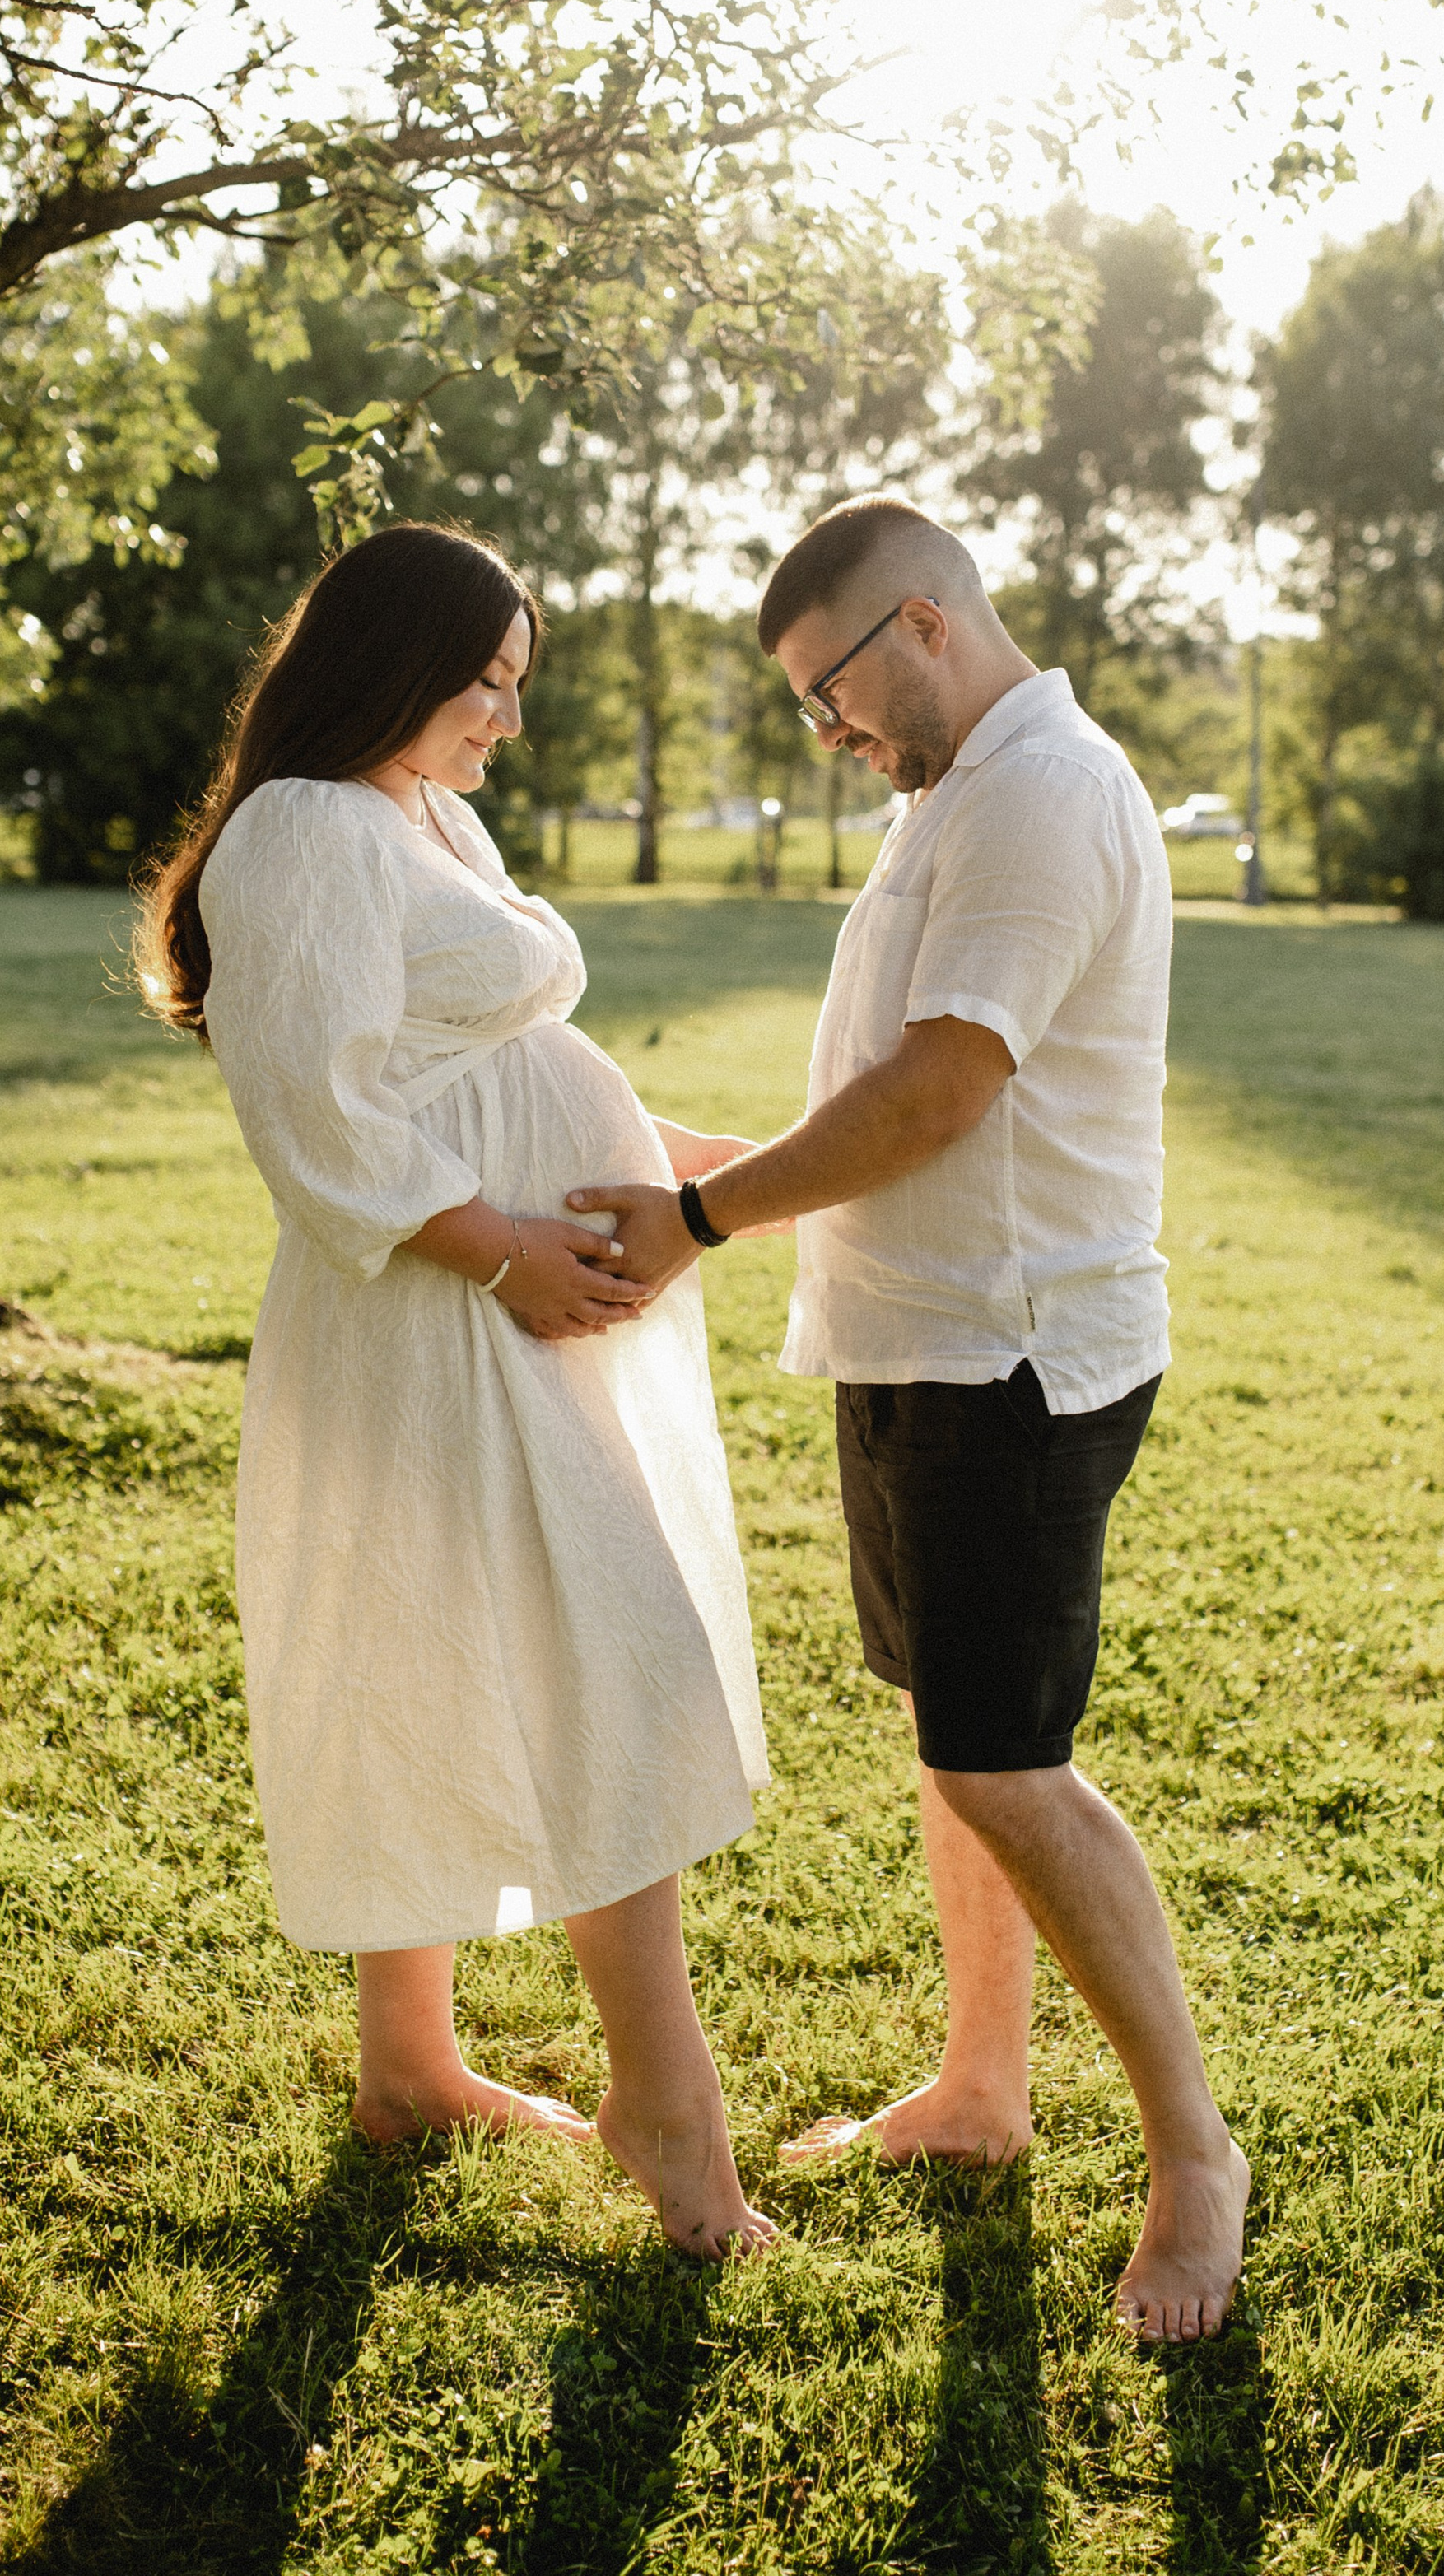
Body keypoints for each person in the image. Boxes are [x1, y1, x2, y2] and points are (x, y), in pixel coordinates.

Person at [569, 493, 1247, 2341]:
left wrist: (702, 1217)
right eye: (806, 708)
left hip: (1014, 1360)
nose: (830, 734)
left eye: (832, 692)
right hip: (911, 1342)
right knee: (956, 1747)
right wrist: (672, 1162)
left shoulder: (1039, 789)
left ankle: (1193, 2153)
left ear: (925, 623)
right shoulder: (954, 793)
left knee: (1003, 1759)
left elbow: (944, 1091)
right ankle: (981, 2085)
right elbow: (882, 1102)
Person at [136, 520, 774, 2261]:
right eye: (483, 678)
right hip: (430, 1308)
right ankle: (668, 2110)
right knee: (597, 1661)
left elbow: (492, 1058)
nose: (504, 712)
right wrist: (498, 1241)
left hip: (504, 1297)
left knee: (445, 1644)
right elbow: (314, 1105)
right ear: (392, 662)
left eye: (515, 682)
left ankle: (408, 2063)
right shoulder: (306, 828)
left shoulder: (428, 809)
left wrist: (693, 1167)